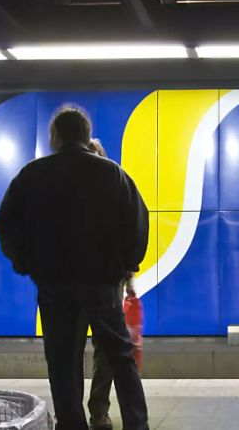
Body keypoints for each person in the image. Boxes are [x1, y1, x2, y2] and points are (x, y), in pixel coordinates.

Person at [0, 108, 150, 430]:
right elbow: (138, 221)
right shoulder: (113, 174)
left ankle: (72, 424)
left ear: (55, 137)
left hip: (54, 284)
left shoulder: (32, 175)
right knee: (120, 358)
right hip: (103, 283)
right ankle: (136, 424)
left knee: (63, 361)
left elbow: (7, 224)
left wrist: (25, 263)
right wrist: (127, 265)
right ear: (85, 135)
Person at [79, 139, 145, 430]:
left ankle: (97, 410)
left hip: (104, 282)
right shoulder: (75, 191)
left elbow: (130, 232)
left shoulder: (116, 187)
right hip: (88, 282)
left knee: (105, 350)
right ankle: (77, 413)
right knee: (94, 349)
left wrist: (129, 275)